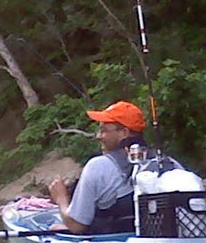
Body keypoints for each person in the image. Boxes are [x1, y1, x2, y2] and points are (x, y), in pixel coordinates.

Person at [47, 99, 147, 234]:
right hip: (154, 239)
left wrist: (61, 199)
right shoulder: (166, 162)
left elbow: (77, 226)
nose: (98, 136)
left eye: (103, 130)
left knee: (55, 228)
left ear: (124, 133)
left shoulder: (97, 166)